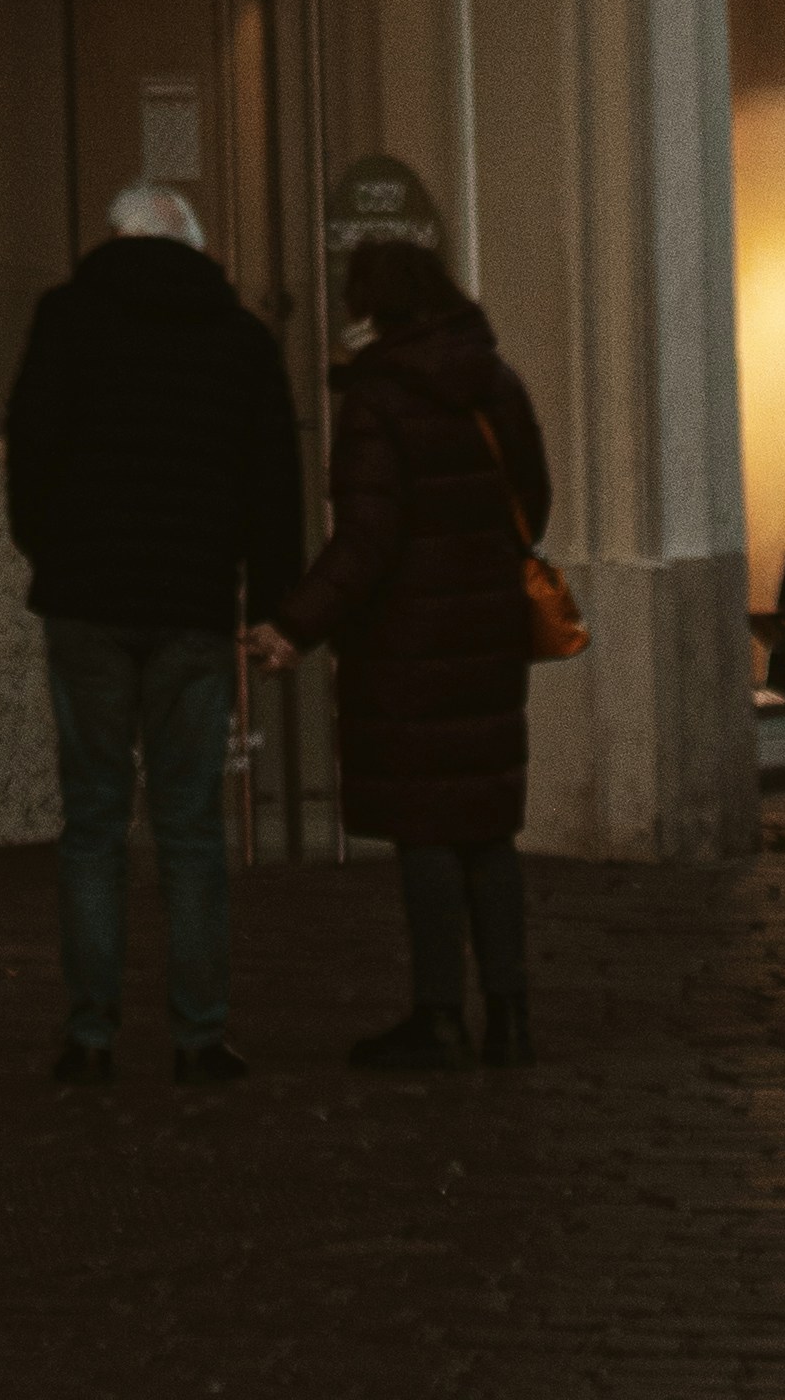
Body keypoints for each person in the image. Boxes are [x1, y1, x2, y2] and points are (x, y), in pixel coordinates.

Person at [0, 176, 308, 1090]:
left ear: (116, 237)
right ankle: (199, 1036)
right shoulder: (240, 339)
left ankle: (91, 1034)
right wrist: (272, 602)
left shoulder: (66, 319)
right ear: (194, 244)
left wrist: (54, 551)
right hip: (193, 604)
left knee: (93, 822)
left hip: (87, 600)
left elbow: (30, 450)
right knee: (191, 827)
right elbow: (273, 483)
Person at [261, 155, 552, 1074]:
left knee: (427, 831)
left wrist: (295, 625)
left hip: (408, 645)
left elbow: (367, 539)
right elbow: (533, 503)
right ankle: (511, 1014)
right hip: (489, 633)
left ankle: (438, 1013)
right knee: (488, 830)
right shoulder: (496, 382)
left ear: (372, 307)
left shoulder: (377, 399)